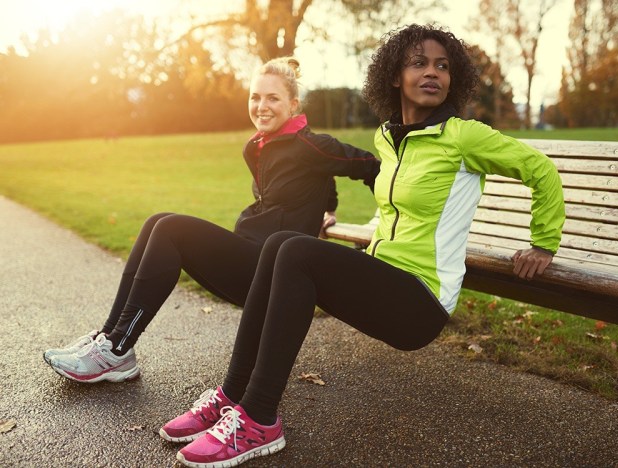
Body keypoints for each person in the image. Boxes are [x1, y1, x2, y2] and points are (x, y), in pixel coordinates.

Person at [170, 24, 565, 467]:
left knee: (294, 249)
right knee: (282, 242)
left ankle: (259, 417)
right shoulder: (389, 138)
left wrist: (543, 244)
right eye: (419, 63)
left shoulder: (463, 137)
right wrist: (340, 221)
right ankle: (233, 395)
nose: (432, 73)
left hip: (421, 301)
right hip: (385, 282)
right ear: (395, 76)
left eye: (442, 66)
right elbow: (383, 202)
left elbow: (541, 170)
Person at [43, 56, 380, 394]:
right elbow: (323, 177)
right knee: (156, 222)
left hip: (270, 269)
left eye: (273, 98)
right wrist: (326, 208)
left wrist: (387, 217)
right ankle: (109, 339)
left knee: (171, 230)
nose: (262, 106)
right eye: (255, 97)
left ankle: (117, 349)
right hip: (248, 255)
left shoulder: (312, 144)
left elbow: (369, 166)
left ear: (293, 105)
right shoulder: (260, 146)